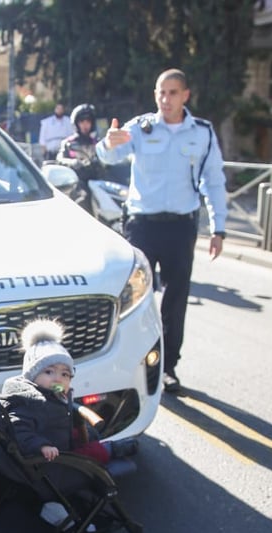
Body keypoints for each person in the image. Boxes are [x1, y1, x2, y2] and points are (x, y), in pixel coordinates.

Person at [97, 68, 227, 394]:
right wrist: (107, 143)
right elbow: (109, 151)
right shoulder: (142, 128)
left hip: (181, 227)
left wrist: (219, 228)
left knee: (175, 300)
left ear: (185, 95)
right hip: (142, 225)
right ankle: (129, 364)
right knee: (135, 299)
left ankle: (167, 368)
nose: (165, 99)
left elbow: (214, 181)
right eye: (160, 92)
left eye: (172, 93)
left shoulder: (202, 133)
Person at [0, 319, 138, 465]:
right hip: (52, 457)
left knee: (86, 433)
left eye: (64, 374)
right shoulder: (29, 401)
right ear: (31, 375)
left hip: (60, 435)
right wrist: (41, 445)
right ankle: (111, 449)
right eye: (49, 372)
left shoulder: (55, 394)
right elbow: (18, 430)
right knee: (92, 453)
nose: (58, 379)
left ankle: (98, 441)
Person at [55, 103, 102, 214]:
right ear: (76, 123)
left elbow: (107, 159)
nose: (85, 125)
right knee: (83, 199)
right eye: (82, 122)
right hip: (76, 184)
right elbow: (59, 159)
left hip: (96, 182)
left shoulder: (97, 143)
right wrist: (72, 162)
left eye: (88, 122)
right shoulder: (68, 143)